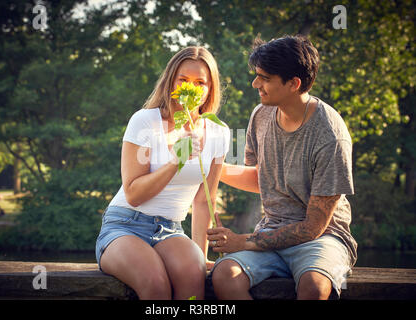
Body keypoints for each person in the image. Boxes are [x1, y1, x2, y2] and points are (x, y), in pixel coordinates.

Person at [207, 35, 357, 300]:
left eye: (264, 78)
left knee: (313, 287)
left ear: (294, 84)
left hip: (323, 238)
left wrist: (241, 241)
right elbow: (260, 178)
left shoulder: (331, 136)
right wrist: (213, 169)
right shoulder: (261, 115)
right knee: (223, 276)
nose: (256, 84)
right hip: (270, 232)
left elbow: (313, 227)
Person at [95, 46, 230, 300]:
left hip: (171, 230)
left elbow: (204, 201)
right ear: (171, 82)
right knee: (155, 283)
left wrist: (201, 255)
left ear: (210, 88)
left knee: (193, 275)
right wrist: (176, 162)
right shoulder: (144, 121)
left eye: (201, 82)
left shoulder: (218, 132)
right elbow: (133, 194)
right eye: (184, 80)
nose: (192, 88)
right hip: (125, 225)